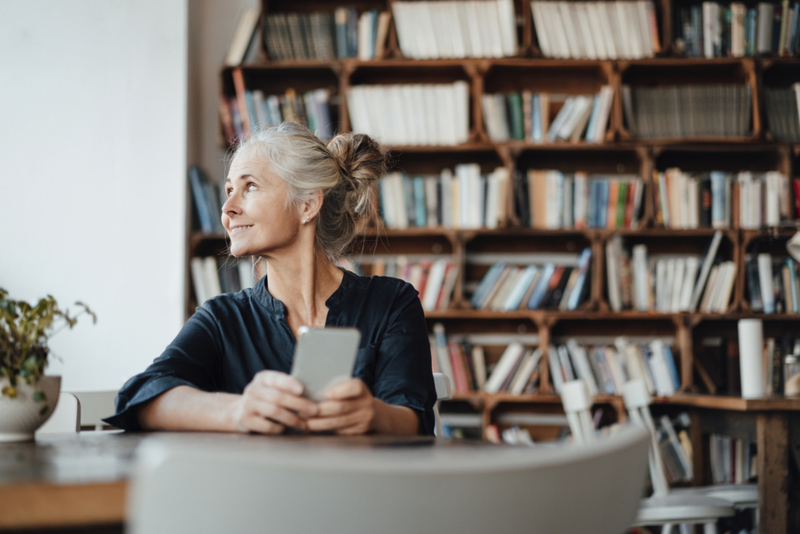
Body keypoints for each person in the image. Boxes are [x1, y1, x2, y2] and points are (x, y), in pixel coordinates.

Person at [104, 122, 437, 436]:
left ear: (307, 204)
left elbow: (414, 417)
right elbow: (142, 397)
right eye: (228, 190)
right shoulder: (222, 319)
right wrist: (237, 410)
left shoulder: (392, 303)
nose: (227, 208)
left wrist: (376, 415)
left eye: (249, 187)